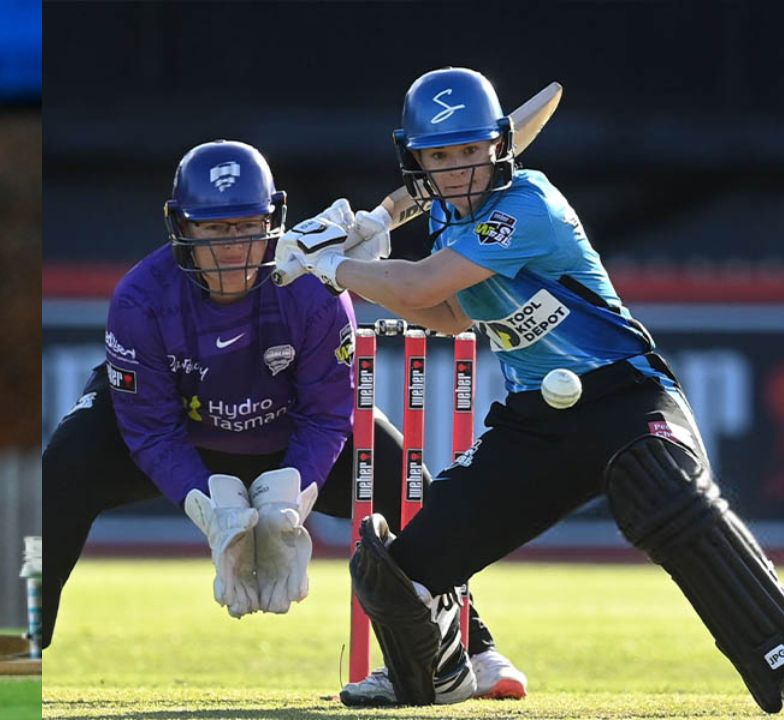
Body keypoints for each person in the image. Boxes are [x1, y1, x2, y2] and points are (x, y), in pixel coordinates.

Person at [277, 66, 784, 713]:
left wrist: (331, 264)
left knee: (665, 497)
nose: (458, 170)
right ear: (417, 160)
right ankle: (441, 674)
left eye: (470, 150)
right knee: (396, 571)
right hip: (537, 425)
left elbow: (419, 286)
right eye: (440, 156)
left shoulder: (528, 204)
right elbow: (450, 315)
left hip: (625, 396)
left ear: (499, 146)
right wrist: (368, 261)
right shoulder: (447, 223)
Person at [42, 139, 526, 701]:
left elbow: (327, 415)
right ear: (181, 227)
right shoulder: (140, 298)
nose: (232, 248)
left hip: (290, 435)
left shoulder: (313, 289)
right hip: (181, 439)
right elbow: (150, 429)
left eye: (247, 227)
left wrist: (291, 493)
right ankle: (24, 641)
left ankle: (472, 645)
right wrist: (208, 506)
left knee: (408, 487)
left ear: (273, 221)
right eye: (214, 230)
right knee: (62, 469)